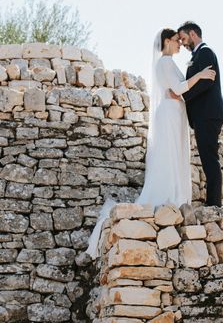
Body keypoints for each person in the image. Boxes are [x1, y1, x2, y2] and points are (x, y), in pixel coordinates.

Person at [85, 28, 215, 258]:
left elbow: (178, 91)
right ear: (167, 41)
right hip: (170, 113)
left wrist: (182, 92)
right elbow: (178, 89)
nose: (179, 44)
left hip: (175, 111)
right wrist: (201, 75)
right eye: (176, 40)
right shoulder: (164, 63)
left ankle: (177, 196)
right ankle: (171, 196)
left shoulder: (168, 63)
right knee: (171, 154)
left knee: (175, 153)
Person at [175, 21, 223, 207]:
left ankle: (214, 204)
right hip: (203, 115)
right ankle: (213, 202)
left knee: (209, 159)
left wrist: (182, 95)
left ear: (193, 34)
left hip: (208, 114)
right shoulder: (198, 54)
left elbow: (206, 83)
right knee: (208, 158)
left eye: (183, 38)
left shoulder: (205, 52)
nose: (182, 43)